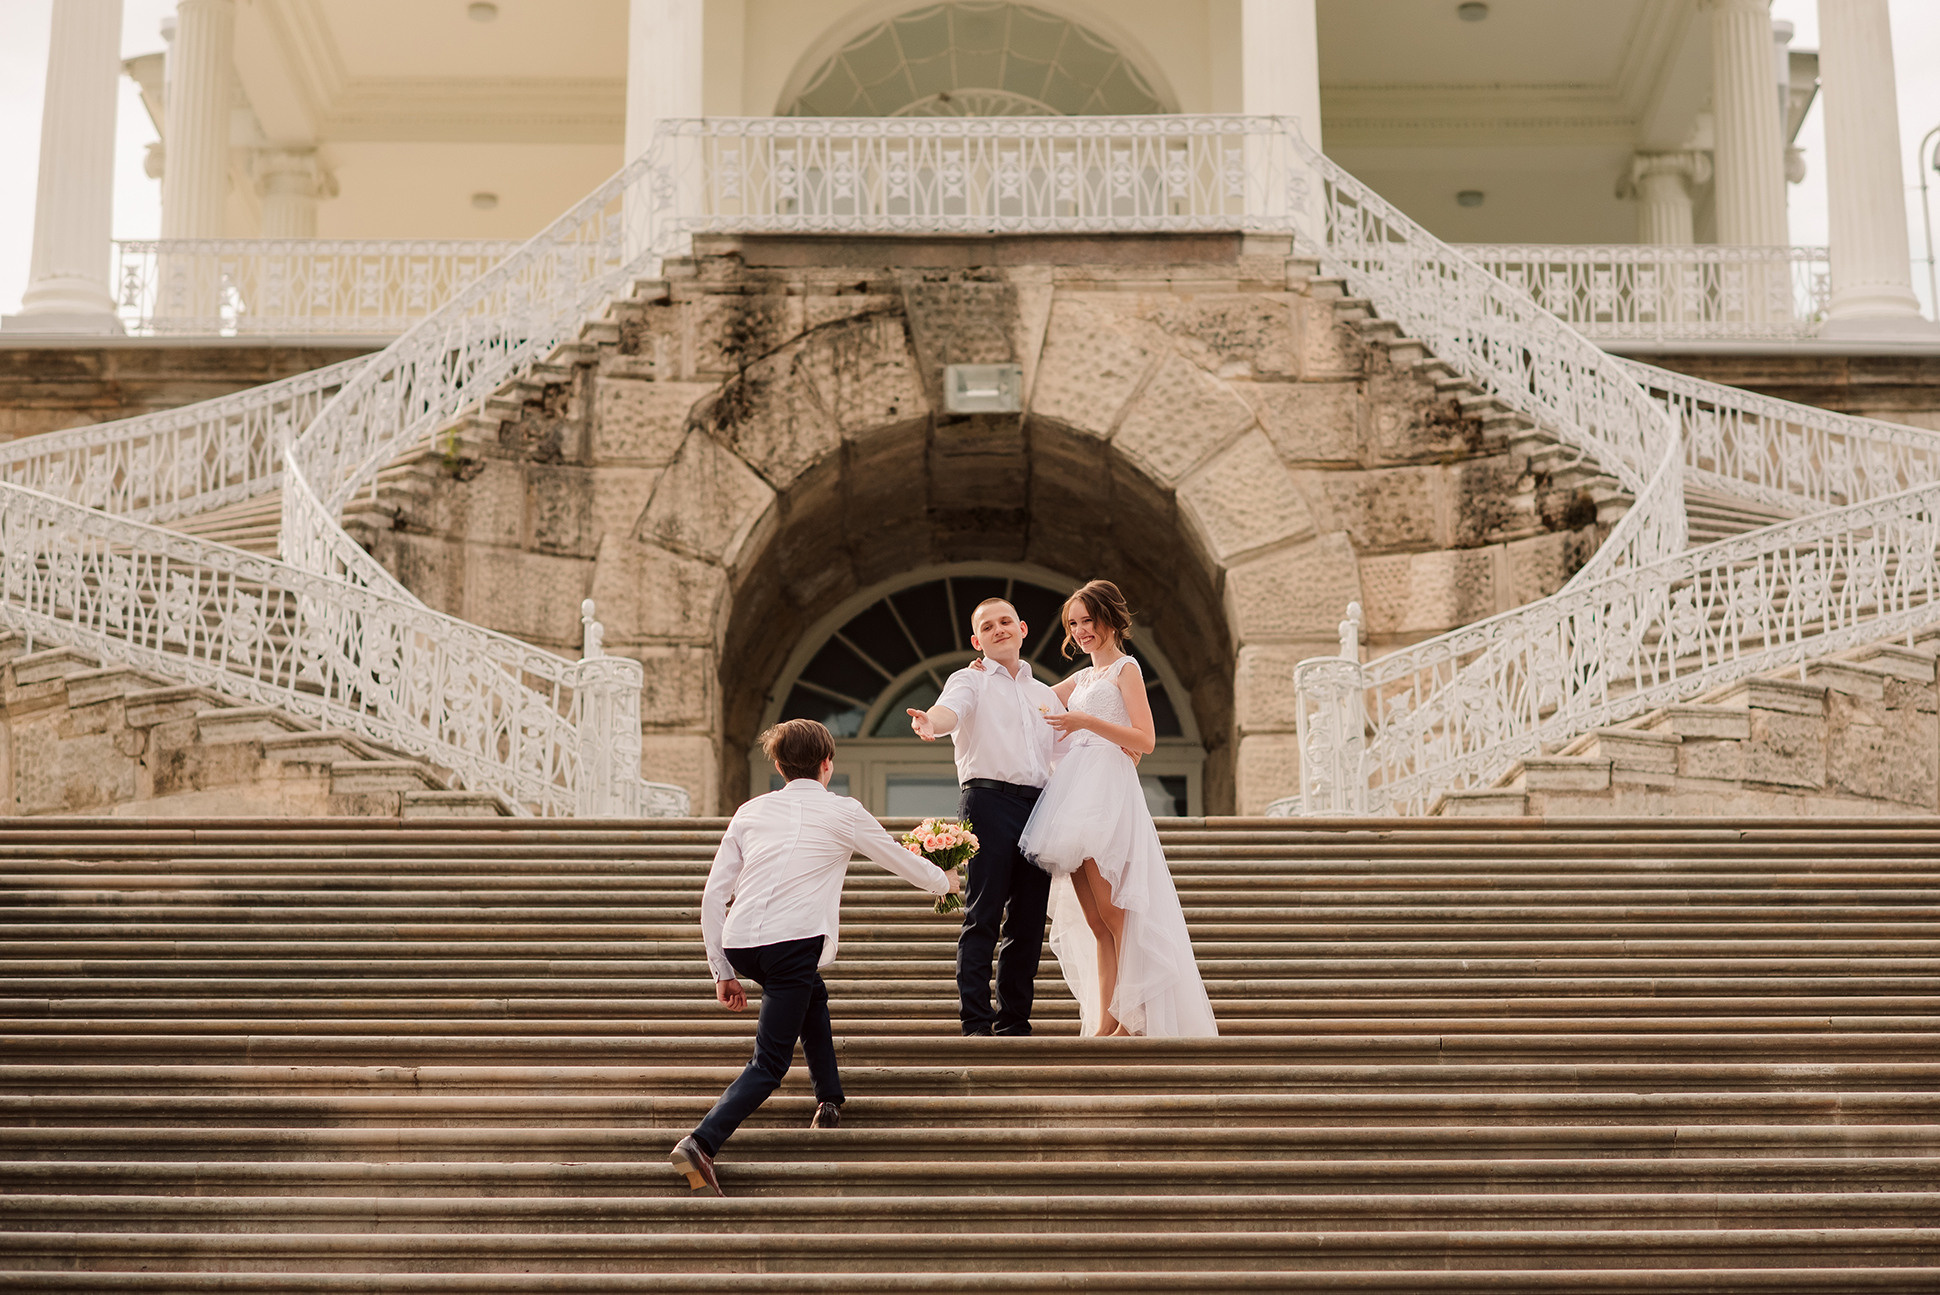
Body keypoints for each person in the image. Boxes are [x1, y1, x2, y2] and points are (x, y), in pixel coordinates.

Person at [670, 718, 958, 1197]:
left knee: (810, 993)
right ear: (828, 765)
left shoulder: (749, 811)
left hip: (742, 943)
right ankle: (701, 1142)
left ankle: (829, 1097)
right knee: (770, 1063)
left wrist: (722, 969)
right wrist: (944, 882)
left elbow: (713, 895)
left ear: (780, 766)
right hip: (790, 945)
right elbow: (896, 857)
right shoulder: (842, 811)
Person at [1018, 580, 1217, 1038]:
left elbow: (1145, 739)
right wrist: (990, 669)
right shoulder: (1082, 678)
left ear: (1109, 619)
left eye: (1089, 620)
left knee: (1115, 914)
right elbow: (1030, 696)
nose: (1082, 630)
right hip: (1075, 793)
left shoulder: (1125, 669)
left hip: (1106, 792)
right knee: (1096, 923)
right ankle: (1107, 1023)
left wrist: (1085, 721)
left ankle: (1133, 1017)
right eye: (1074, 623)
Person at [906, 597, 1066, 1036]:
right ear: (978, 640)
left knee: (1028, 921)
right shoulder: (969, 680)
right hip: (987, 802)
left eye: (1006, 622)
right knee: (983, 915)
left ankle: (1015, 1021)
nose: (999, 629)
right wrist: (930, 724)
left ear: (1023, 628)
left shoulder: (1043, 694)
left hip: (1039, 808)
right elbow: (948, 710)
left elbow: (1064, 750)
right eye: (988, 626)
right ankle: (976, 1020)